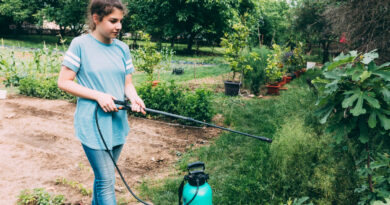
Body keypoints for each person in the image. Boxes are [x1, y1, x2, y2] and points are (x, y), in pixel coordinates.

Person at [57, 0, 145, 204]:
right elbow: (63, 82)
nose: (119, 26)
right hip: (93, 123)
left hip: (117, 123)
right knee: (106, 181)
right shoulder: (80, 45)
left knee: (102, 178)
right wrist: (99, 95)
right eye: (113, 21)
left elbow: (127, 84)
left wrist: (134, 97)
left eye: (121, 21)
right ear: (96, 19)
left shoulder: (122, 49)